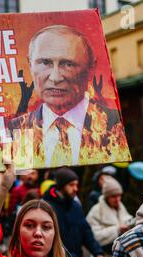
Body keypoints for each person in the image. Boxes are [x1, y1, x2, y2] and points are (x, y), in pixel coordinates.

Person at [8, 24, 130, 167]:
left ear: (90, 69)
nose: (55, 77)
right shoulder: (18, 127)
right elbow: (24, 174)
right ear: (30, 65)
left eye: (67, 64)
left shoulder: (112, 123)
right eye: (45, 62)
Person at [42, 167, 109, 257]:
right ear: (61, 185)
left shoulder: (75, 206)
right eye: (71, 185)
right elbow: (52, 243)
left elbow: (86, 232)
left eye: (76, 185)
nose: (76, 189)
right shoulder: (47, 208)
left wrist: (98, 253)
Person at [86, 176, 135, 256]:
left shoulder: (121, 207)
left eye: (119, 195)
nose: (117, 199)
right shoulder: (95, 211)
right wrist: (117, 229)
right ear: (106, 197)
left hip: (122, 255)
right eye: (113, 196)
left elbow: (127, 219)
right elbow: (93, 237)